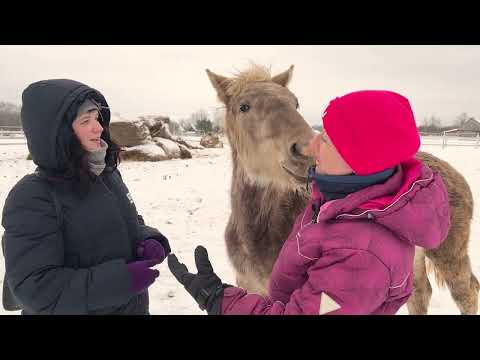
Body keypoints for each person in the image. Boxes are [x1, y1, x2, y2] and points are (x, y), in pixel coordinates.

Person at [168, 90, 451, 315]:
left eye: (326, 140)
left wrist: (219, 299)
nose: (311, 145)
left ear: (358, 161)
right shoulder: (338, 200)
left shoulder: (362, 257)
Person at [2, 79, 170, 315]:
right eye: (85, 121)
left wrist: (147, 239)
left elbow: (127, 222)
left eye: (97, 117)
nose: (98, 127)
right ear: (58, 133)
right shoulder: (32, 197)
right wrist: (121, 282)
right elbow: (35, 288)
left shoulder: (107, 174)